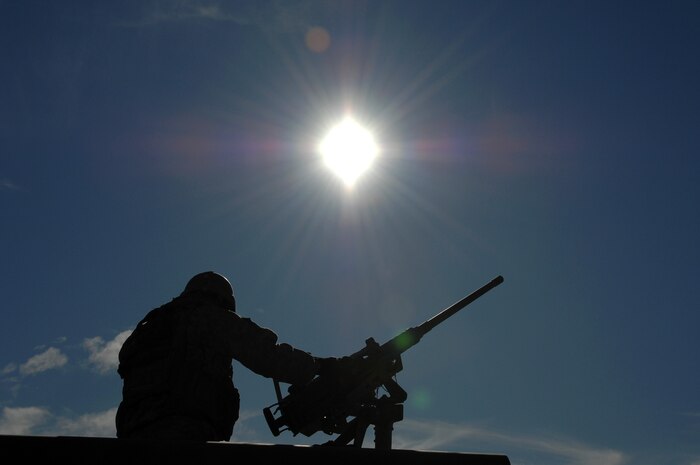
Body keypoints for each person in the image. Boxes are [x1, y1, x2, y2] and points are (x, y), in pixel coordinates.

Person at [116, 271, 334, 441]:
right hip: (183, 433)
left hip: (133, 438)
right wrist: (318, 366)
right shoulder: (208, 317)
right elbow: (268, 356)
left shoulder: (151, 327)